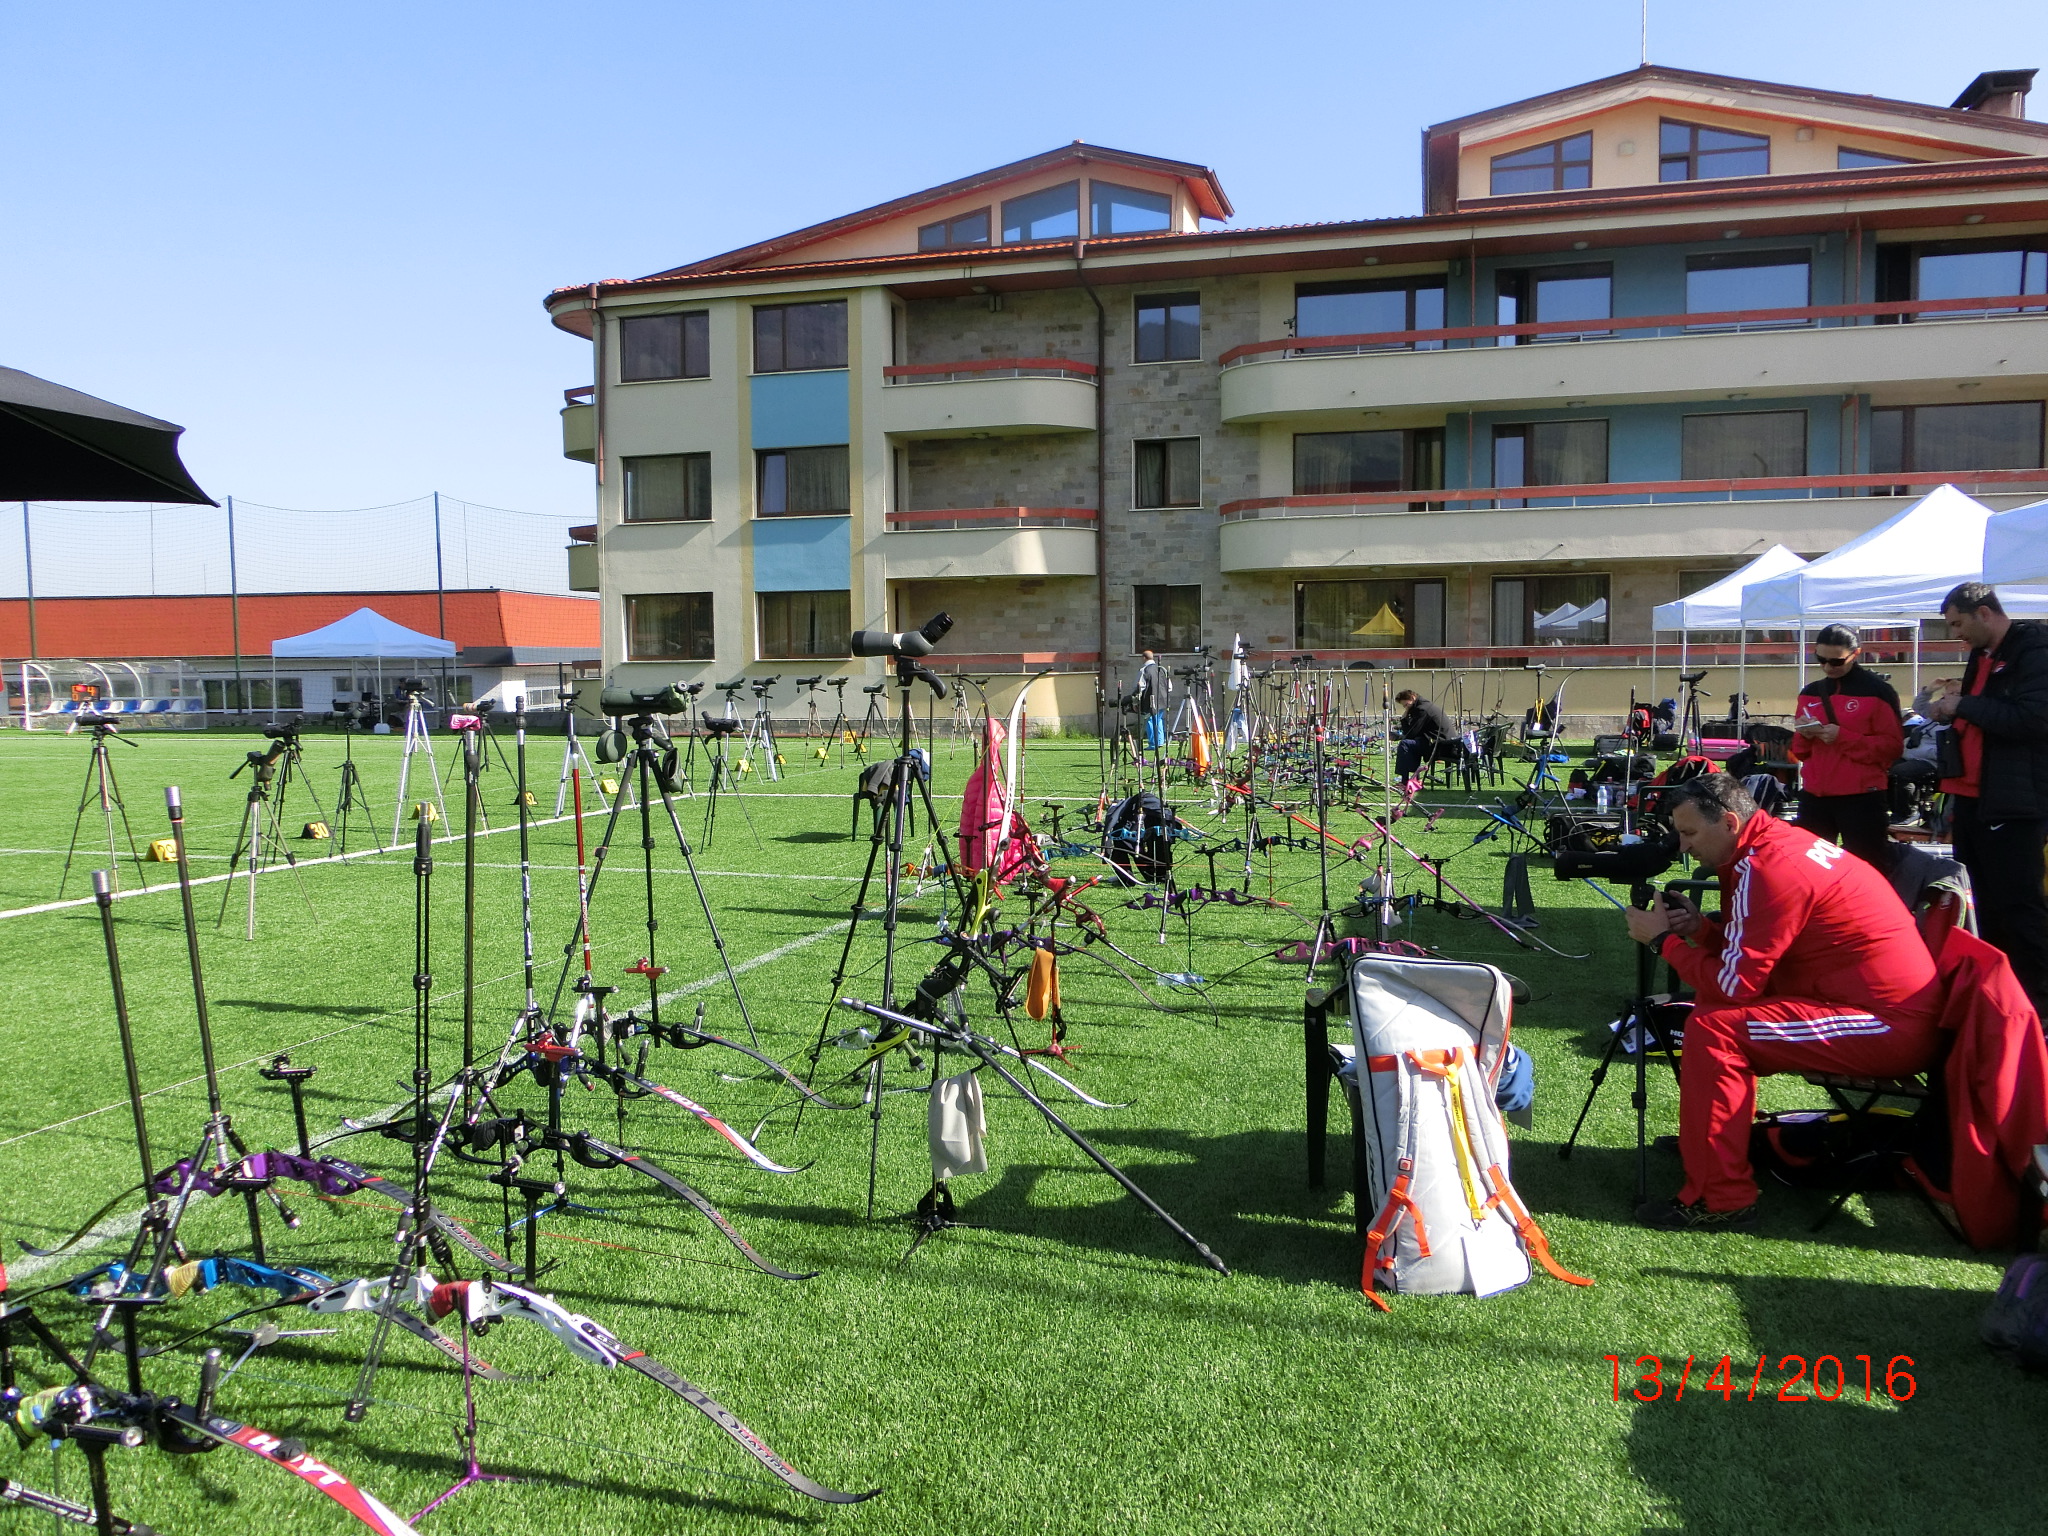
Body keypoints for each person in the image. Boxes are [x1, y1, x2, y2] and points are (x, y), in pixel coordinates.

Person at [1623, 773, 1941, 1231]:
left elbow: (1736, 986)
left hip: (1889, 1025)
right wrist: (1700, 931)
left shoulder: (1769, 866)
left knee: (1717, 1030)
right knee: (1713, 1017)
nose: (1684, 847)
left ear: (1729, 823)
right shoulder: (1771, 847)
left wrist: (1663, 943)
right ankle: (1713, 1148)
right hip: (1865, 1004)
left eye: (1689, 833)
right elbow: (1758, 951)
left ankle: (1722, 1197)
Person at [1926, 582, 2048, 1017]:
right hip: (1972, 797)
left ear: (1984, 612)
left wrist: (1962, 706)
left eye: (1958, 623)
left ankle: (2036, 1004)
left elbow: (2033, 719)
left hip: (2014, 801)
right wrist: (1952, 709)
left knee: (2019, 905)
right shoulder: (1980, 654)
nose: (1955, 633)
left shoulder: (2033, 649)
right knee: (1982, 902)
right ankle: (1999, 999)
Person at [1789, 623, 1903, 867]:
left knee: (1868, 867)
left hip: (1861, 798)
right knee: (1808, 869)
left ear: (1856, 654)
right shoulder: (1810, 692)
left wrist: (1843, 737)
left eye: (1836, 661)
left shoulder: (1878, 692)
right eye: (1821, 660)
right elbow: (1799, 752)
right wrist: (1805, 735)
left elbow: (1892, 747)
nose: (1828, 667)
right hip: (1815, 796)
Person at [1393, 690, 1454, 780]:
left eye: (1406, 705)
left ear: (1412, 698)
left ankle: (1405, 780)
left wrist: (1404, 718)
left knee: (1405, 744)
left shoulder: (1422, 709)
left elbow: (1411, 733)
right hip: (1444, 742)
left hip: (1440, 745)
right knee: (1412, 744)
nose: (1406, 708)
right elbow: (1415, 731)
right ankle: (1413, 778)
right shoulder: (1425, 705)